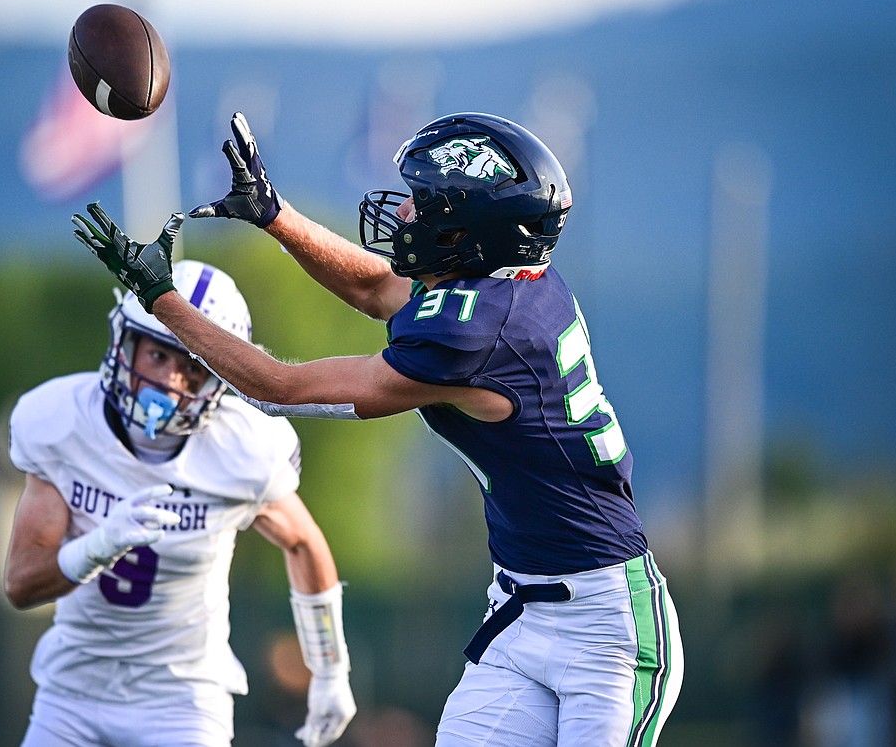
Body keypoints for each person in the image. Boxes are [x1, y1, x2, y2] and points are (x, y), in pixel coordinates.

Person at [73, 111, 684, 746]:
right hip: (523, 610)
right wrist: (271, 212)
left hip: (607, 628)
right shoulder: (512, 283)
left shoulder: (475, 337)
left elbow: (279, 389)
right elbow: (374, 286)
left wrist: (162, 298)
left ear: (468, 232)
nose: (406, 215)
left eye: (424, 204)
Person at [2, 260, 356, 747]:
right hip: (74, 694)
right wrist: (98, 546)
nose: (172, 382)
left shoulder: (242, 445)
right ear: (126, 345)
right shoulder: (63, 420)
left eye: (194, 366)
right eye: (159, 355)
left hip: (183, 699)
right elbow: (22, 584)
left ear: (219, 377)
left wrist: (330, 669)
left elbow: (302, 543)